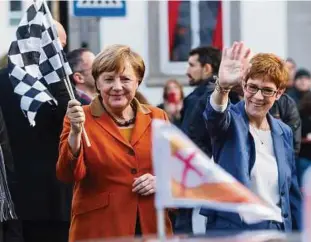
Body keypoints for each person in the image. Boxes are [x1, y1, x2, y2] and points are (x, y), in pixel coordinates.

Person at [56, 44, 173, 241]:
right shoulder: (79, 117)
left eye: (125, 79)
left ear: (137, 82)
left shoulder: (157, 116)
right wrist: (75, 133)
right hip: (100, 229)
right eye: (108, 79)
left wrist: (160, 181)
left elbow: (177, 171)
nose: (117, 87)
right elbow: (68, 174)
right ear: (98, 83)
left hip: (151, 227)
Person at [201, 42, 301, 232]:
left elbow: (291, 191)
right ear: (244, 85)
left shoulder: (283, 131)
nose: (258, 96)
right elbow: (214, 117)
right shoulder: (231, 121)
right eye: (252, 87)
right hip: (234, 230)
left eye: (267, 90)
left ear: (279, 93)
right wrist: (222, 87)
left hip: (276, 231)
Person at [0, 21, 71, 242]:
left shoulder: (62, 83)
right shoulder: (61, 83)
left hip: (38, 197)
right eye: (57, 46)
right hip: (36, 198)